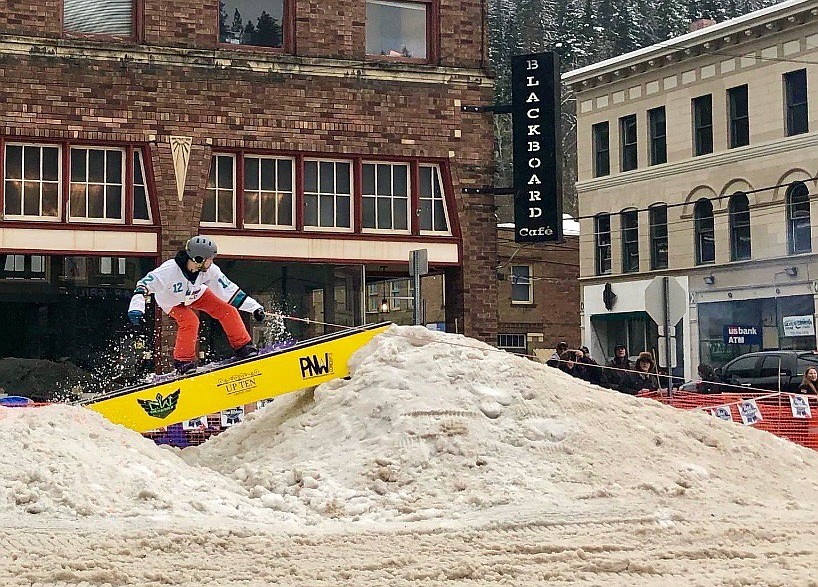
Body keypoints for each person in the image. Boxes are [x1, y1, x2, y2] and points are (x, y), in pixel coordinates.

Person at [127, 235, 267, 374]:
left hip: (196, 294)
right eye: (209, 260)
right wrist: (137, 307)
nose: (211, 263)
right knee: (190, 321)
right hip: (172, 301)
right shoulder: (169, 270)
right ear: (198, 260)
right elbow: (143, 286)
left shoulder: (210, 271)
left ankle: (243, 347)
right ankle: (183, 362)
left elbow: (229, 291)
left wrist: (254, 308)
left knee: (227, 310)